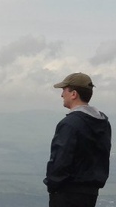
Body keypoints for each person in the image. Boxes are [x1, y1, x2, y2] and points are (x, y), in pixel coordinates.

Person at [44, 72, 111, 207]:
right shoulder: (103, 123)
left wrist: (53, 186)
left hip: (67, 195)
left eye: (64, 90)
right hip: (90, 195)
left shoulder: (70, 124)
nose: (62, 95)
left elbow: (60, 161)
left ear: (74, 94)